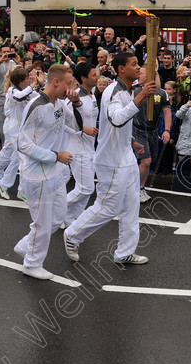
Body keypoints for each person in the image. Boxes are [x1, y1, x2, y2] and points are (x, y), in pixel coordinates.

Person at [63, 52, 156, 265]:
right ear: (121, 68)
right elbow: (115, 119)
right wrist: (141, 97)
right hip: (112, 160)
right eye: (134, 64)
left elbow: (116, 124)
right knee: (108, 207)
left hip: (126, 156)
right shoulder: (113, 90)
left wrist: (131, 141)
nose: (139, 67)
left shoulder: (127, 90)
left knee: (131, 206)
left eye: (138, 64)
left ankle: (125, 252)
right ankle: (73, 234)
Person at [14, 65, 79, 280]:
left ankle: (26, 245)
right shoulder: (36, 105)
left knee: (58, 217)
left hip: (56, 171)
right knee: (42, 222)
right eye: (68, 83)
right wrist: (55, 155)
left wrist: (76, 101)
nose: (71, 87)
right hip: (37, 173)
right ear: (56, 82)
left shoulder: (60, 103)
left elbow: (75, 124)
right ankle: (32, 264)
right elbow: (23, 144)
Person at [0, 66, 40, 201]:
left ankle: (2, 182)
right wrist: (33, 84)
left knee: (16, 158)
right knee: (17, 158)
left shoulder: (26, 91)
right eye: (28, 78)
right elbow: (20, 97)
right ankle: (7, 184)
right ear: (22, 80)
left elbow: (38, 97)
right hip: (13, 129)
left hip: (21, 130)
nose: (30, 80)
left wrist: (41, 83)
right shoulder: (12, 91)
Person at [64, 62, 100, 226]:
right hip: (77, 149)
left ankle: (69, 217)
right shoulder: (73, 97)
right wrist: (82, 129)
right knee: (86, 189)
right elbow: (62, 123)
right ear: (84, 78)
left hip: (90, 148)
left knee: (85, 188)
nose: (97, 76)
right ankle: (55, 208)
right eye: (94, 74)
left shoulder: (92, 96)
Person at [132, 66, 171, 202]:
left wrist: (167, 130)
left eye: (141, 73)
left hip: (153, 131)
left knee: (148, 162)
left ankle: (141, 188)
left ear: (149, 76)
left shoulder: (162, 93)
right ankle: (135, 189)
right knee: (145, 160)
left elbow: (167, 112)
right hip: (138, 130)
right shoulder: (134, 92)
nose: (138, 75)